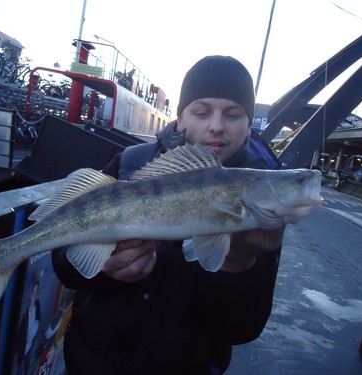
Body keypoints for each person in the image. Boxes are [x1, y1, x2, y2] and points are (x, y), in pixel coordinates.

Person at [52, 55, 285, 374]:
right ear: (179, 118)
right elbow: (64, 264)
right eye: (201, 112)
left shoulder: (260, 198)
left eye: (232, 114)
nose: (216, 125)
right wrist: (103, 265)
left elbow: (243, 328)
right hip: (88, 362)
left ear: (248, 127)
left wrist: (239, 264)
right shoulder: (128, 165)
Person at [16, 280, 41, 375]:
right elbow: (19, 334)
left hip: (30, 347)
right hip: (23, 350)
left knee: (27, 369)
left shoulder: (38, 306)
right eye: (33, 292)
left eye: (36, 291)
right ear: (30, 294)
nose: (35, 294)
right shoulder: (25, 313)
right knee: (20, 370)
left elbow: (38, 320)